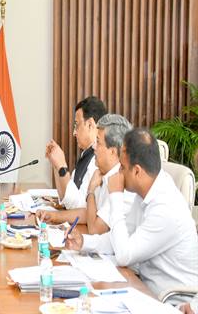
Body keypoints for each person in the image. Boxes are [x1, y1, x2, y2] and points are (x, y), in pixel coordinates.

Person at [65, 128, 198, 300]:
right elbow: (120, 239)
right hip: (142, 287)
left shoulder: (165, 207)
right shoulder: (145, 193)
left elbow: (124, 255)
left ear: (137, 171)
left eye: (122, 167)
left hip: (171, 301)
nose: (118, 173)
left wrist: (115, 195)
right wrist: (84, 242)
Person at [38, 114, 135, 234]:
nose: (94, 146)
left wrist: (91, 190)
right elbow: (88, 212)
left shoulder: (123, 182)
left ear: (113, 151)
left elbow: (95, 229)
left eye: (98, 142)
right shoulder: (104, 174)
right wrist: (53, 216)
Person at [45, 96, 107, 209]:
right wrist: (56, 165)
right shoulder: (86, 154)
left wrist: (62, 166)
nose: (74, 132)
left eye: (76, 125)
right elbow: (65, 197)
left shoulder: (98, 159)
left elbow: (80, 207)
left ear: (90, 124)